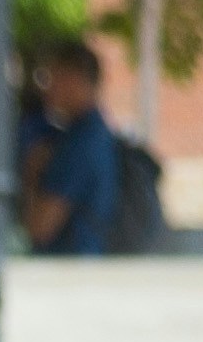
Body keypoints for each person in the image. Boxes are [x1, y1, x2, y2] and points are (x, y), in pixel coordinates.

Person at [17, 37, 124, 257]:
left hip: (68, 277)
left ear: (75, 78)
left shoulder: (80, 143)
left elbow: (40, 227)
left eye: (52, 77)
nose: (46, 87)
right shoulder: (94, 134)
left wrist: (33, 173)